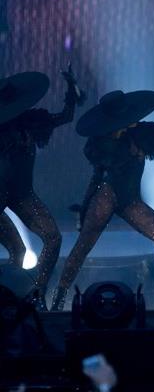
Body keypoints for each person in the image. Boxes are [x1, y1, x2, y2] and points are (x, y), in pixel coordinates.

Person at [50, 88, 154, 310]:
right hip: (105, 196)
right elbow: (99, 164)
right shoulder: (99, 142)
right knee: (83, 247)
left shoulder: (143, 133)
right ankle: (59, 297)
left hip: (130, 200)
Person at [0, 68, 84, 310]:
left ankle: (36, 294)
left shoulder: (32, 122)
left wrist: (71, 87)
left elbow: (66, 116)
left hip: (22, 194)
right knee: (17, 249)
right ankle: (9, 300)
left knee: (52, 238)